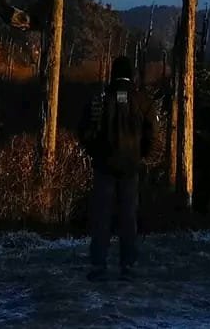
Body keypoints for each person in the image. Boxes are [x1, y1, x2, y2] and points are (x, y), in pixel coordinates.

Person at [77, 55, 157, 282]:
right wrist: (141, 155)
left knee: (101, 217)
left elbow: (84, 131)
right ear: (131, 74)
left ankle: (99, 264)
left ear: (113, 73)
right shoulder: (142, 100)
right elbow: (152, 133)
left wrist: (95, 151)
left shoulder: (101, 99)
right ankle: (127, 264)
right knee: (128, 217)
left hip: (104, 166)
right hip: (130, 167)